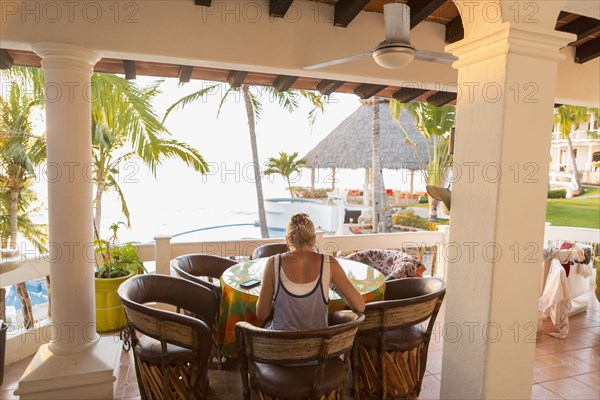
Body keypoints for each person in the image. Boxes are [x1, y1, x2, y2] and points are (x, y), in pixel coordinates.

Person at [256, 213, 365, 330]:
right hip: (319, 345)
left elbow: (261, 314)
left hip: (281, 344)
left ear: (287, 240)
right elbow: (359, 306)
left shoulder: (274, 263)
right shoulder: (328, 263)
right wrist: (334, 286)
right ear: (313, 239)